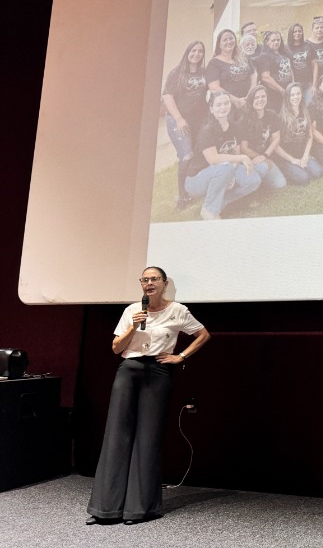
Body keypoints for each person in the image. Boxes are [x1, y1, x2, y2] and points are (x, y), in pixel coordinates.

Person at [86, 266, 210, 525]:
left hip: (158, 372)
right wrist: (133, 327)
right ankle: (106, 509)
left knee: (148, 437)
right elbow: (116, 348)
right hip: (129, 370)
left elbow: (203, 335)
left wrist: (181, 356)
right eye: (145, 279)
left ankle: (139, 509)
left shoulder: (178, 311)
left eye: (154, 279)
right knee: (117, 435)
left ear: (165, 284)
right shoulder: (132, 310)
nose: (149, 283)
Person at [184, 91, 262, 220]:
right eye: (218, 105)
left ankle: (220, 203)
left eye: (226, 103)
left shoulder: (234, 127)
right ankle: (209, 210)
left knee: (253, 180)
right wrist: (241, 159)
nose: (223, 107)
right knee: (226, 167)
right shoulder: (207, 131)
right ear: (211, 108)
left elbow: (235, 152)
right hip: (196, 180)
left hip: (224, 170)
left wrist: (232, 171)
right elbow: (213, 159)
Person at [161, 40, 207, 210]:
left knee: (196, 154)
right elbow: (167, 97)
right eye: (193, 51)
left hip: (198, 120)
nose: (196, 54)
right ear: (187, 52)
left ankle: (194, 188)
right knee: (186, 155)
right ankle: (182, 197)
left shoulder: (204, 72)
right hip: (178, 120)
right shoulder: (177, 73)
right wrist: (179, 118)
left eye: (200, 51)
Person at [274, 82, 323, 185]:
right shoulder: (281, 117)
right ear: (287, 97)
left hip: (302, 153)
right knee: (304, 179)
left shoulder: (305, 112)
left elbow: (309, 136)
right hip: (287, 157)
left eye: (298, 94)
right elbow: (275, 146)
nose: (296, 97)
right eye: (292, 95)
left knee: (319, 172)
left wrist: (306, 155)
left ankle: (303, 164)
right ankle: (287, 168)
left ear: (302, 95)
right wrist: (292, 160)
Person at [239, 85, 288, 190]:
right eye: (256, 97)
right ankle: (253, 179)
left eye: (263, 96)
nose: (260, 100)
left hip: (265, 155)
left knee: (280, 184)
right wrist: (261, 157)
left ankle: (260, 179)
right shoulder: (244, 119)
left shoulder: (272, 114)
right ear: (251, 100)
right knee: (263, 169)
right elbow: (244, 148)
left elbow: (276, 138)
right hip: (250, 158)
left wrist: (266, 155)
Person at [206, 29, 257, 113]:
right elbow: (214, 88)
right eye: (225, 40)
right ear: (219, 44)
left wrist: (250, 96)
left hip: (248, 103)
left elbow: (253, 76)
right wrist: (237, 101)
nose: (229, 41)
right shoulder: (214, 63)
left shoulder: (245, 57)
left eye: (231, 38)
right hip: (227, 107)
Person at [256, 30, 294, 109]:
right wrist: (282, 90)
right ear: (267, 42)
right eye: (273, 40)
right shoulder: (264, 56)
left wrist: (293, 85)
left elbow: (290, 71)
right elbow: (265, 78)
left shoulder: (284, 55)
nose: (276, 42)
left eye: (278, 40)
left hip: (288, 92)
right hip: (274, 94)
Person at [286, 23, 314, 102]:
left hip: (309, 82)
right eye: (295, 31)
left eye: (299, 31)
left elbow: (314, 65)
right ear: (290, 33)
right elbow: (289, 67)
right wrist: (293, 82)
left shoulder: (308, 46)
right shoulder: (286, 48)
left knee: (309, 103)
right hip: (295, 83)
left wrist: (314, 84)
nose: (297, 33)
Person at [307, 16, 323, 90]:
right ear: (312, 29)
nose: (319, 30)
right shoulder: (306, 44)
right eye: (317, 28)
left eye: (322, 27)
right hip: (311, 80)